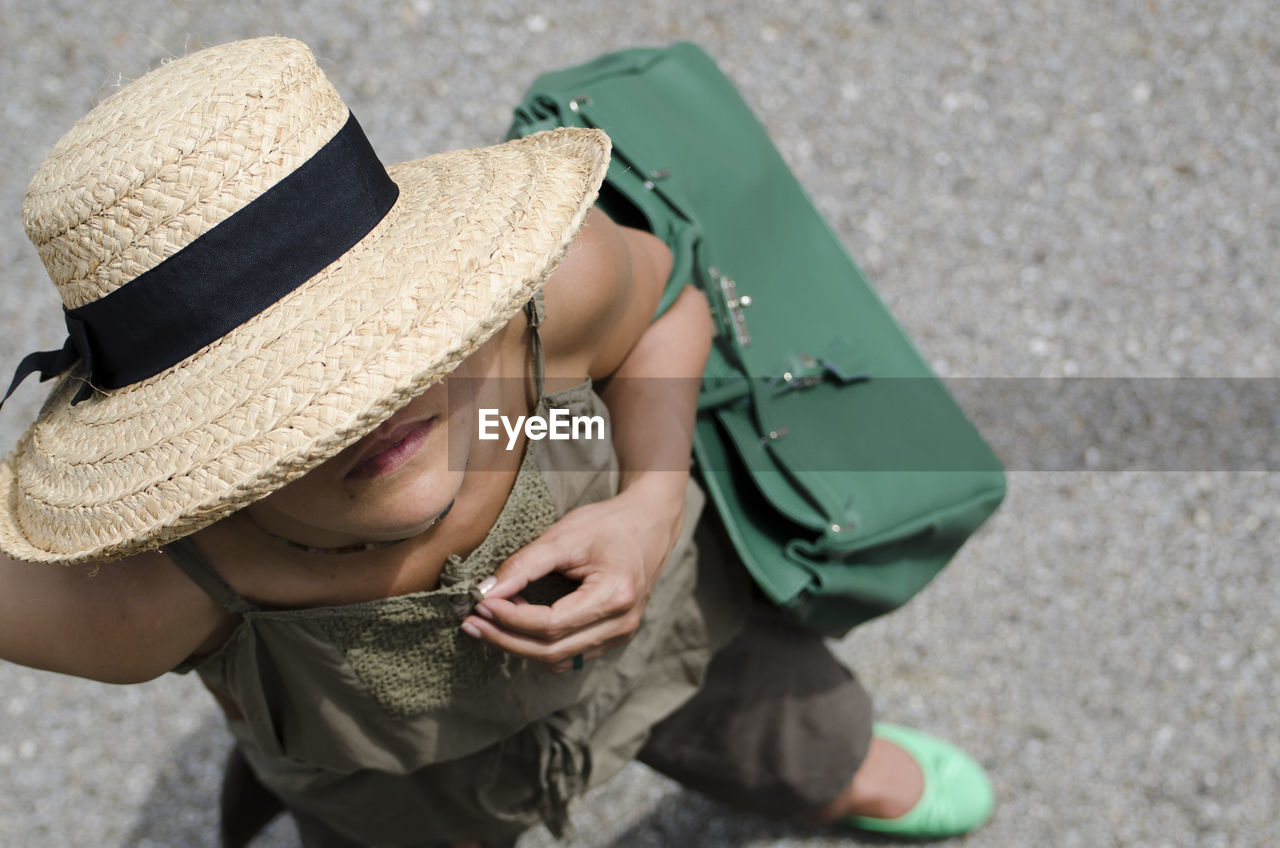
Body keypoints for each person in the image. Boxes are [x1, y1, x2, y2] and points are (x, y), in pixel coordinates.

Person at [0, 37, 992, 847]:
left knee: (787, 723)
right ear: (181, 465)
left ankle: (826, 774)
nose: (376, 408)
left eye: (394, 337)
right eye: (286, 413)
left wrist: (647, 500)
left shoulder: (529, 332)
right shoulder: (153, 595)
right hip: (403, 796)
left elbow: (665, 307)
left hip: (651, 627)